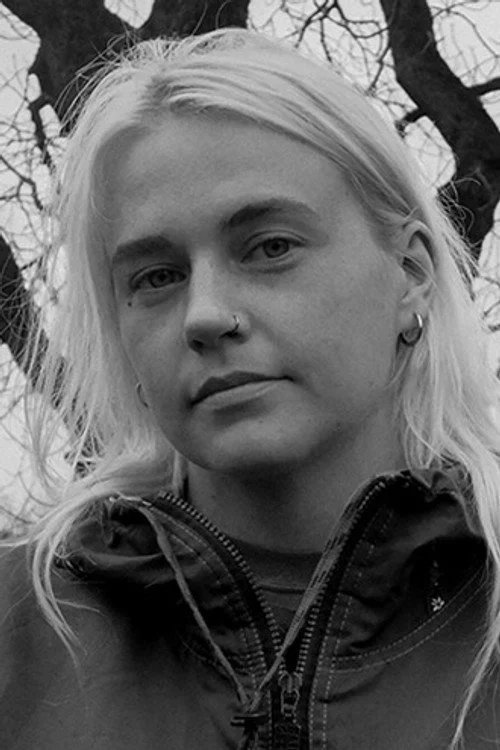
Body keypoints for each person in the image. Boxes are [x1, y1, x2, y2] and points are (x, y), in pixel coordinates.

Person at [1, 27, 499, 750]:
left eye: (270, 248)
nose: (204, 315)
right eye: (156, 276)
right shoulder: (22, 634)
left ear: (412, 273)